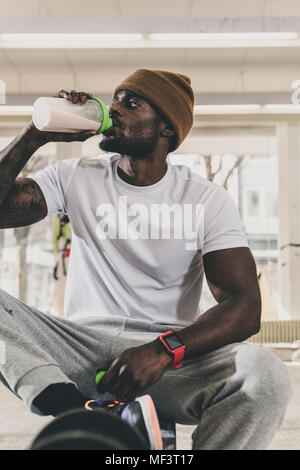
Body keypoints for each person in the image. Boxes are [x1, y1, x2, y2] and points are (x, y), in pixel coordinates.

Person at [0, 69, 292, 450]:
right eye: (116, 99)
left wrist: (163, 350)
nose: (114, 109)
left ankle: (145, 421)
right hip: (80, 346)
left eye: (131, 103)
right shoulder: (75, 176)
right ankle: (78, 408)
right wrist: (33, 136)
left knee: (265, 374)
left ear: (166, 129)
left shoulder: (206, 199)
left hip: (168, 360)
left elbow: (245, 306)